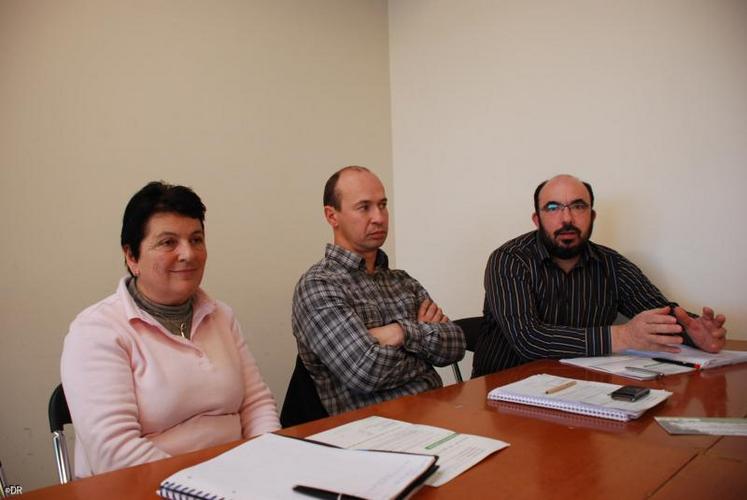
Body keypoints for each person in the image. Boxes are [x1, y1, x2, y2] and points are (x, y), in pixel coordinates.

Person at [61, 181, 280, 477]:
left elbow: (256, 405)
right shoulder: (96, 331)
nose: (188, 254)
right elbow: (114, 452)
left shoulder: (221, 316)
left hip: (239, 480)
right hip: (147, 487)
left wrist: (270, 464)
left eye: (196, 239)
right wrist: (203, 483)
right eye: (168, 242)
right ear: (132, 256)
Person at [472, 174, 727, 376]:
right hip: (503, 392)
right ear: (537, 219)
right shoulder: (509, 260)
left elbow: (660, 316)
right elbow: (529, 339)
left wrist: (695, 334)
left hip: (582, 390)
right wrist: (624, 336)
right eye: (553, 208)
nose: (567, 218)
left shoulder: (612, 264)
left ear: (592, 216)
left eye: (578, 206)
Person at [292, 166, 465, 415]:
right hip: (373, 434)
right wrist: (425, 347)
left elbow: (455, 345)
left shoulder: (402, 281)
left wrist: (400, 332)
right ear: (332, 216)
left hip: (436, 414)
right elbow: (366, 371)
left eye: (382, 205)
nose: (379, 218)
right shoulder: (319, 285)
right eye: (364, 207)